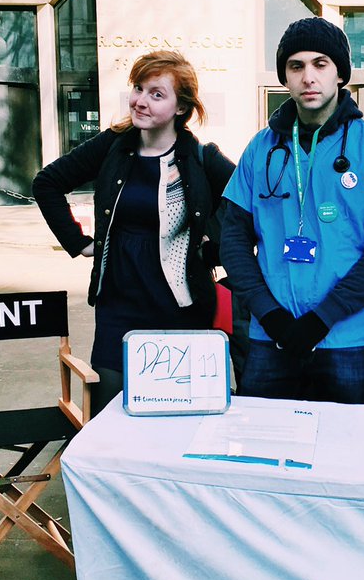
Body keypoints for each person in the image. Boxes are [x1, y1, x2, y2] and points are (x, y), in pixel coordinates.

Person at [33, 50, 236, 413]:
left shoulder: (199, 157)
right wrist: (79, 243)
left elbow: (244, 202)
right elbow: (46, 182)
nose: (141, 101)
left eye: (157, 94)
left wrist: (213, 244)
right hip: (118, 302)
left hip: (180, 306)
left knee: (179, 415)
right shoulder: (113, 145)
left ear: (180, 107)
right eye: (138, 88)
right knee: (108, 411)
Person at [220, 17, 364, 404]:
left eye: (320, 64)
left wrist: (323, 318)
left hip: (345, 336)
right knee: (264, 446)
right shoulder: (260, 149)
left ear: (340, 74)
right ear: (285, 78)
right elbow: (233, 240)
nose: (309, 76)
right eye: (296, 66)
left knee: (340, 448)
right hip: (271, 335)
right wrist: (270, 315)